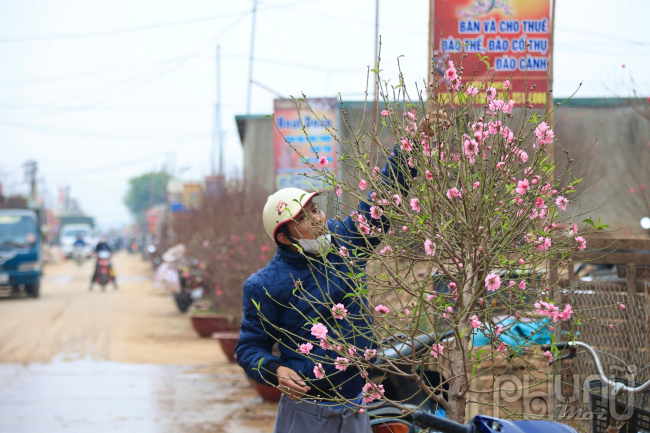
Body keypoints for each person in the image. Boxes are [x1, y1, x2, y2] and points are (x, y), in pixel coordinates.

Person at [236, 131, 423, 432]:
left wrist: (411, 145)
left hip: (356, 406)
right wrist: (276, 370)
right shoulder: (265, 285)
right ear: (284, 237)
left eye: (315, 210)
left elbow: (383, 200)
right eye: (303, 219)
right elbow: (249, 348)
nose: (317, 220)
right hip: (308, 411)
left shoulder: (347, 242)